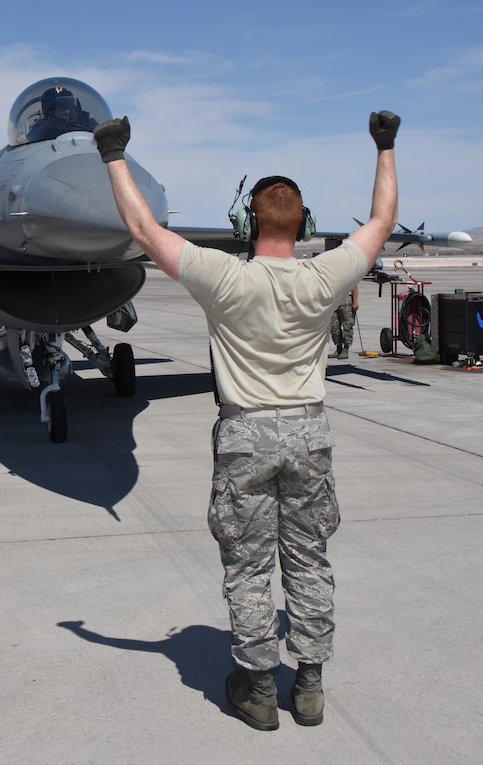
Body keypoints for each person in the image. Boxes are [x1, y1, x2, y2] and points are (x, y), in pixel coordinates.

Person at [93, 110, 400, 730]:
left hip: (245, 434)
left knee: (247, 563)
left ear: (244, 222)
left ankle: (259, 689)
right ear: (305, 224)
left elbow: (145, 231)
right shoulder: (325, 274)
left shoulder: (224, 277)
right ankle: (309, 684)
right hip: (309, 430)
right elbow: (382, 221)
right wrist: (385, 146)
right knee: (309, 556)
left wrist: (113, 155)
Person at [328, 283, 359, 359]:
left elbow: (354, 285)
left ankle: (346, 348)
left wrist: (355, 301)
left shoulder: (347, 272)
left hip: (346, 299)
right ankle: (338, 347)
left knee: (347, 325)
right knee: (334, 327)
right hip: (333, 299)